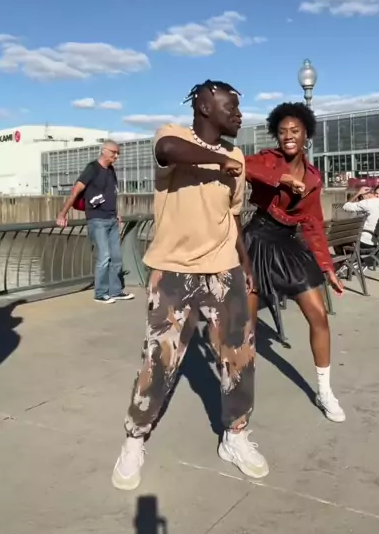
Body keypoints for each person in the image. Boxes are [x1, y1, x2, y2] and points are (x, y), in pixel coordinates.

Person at [112, 80, 269, 491]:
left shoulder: (236, 156)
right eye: (231, 107)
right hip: (173, 270)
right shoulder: (171, 136)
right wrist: (219, 161)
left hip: (224, 269)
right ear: (204, 106)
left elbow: (233, 217)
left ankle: (235, 436)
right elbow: (168, 151)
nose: (239, 115)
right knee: (160, 359)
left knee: (239, 355)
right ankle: (134, 439)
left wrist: (246, 263)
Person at [243, 102, 346, 424]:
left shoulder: (314, 177)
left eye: (295, 131)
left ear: (305, 135)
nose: (288, 135)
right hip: (257, 240)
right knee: (246, 326)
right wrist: (282, 179)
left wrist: (327, 267)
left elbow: (313, 224)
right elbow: (241, 166)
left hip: (287, 244)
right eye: (283, 131)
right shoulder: (268, 159)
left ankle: (324, 392)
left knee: (319, 315)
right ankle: (237, 396)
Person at [56, 141, 134, 304]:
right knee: (104, 256)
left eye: (118, 153)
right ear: (104, 151)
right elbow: (75, 192)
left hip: (111, 219)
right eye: (114, 152)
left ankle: (116, 291)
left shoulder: (111, 170)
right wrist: (62, 214)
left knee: (116, 258)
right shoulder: (92, 168)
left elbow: (110, 194)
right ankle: (100, 293)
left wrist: (116, 214)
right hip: (97, 219)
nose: (116, 156)